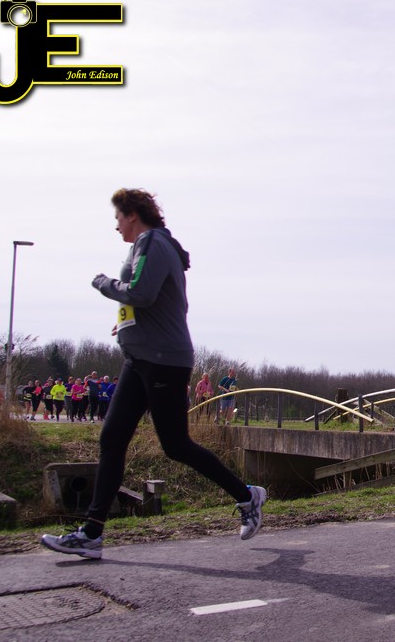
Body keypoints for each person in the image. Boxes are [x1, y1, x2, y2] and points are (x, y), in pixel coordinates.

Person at [41, 188, 266, 560]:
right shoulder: (148, 247)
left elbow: (141, 293)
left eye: (117, 217)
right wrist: (130, 325)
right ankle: (92, 533)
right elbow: (158, 301)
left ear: (132, 214)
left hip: (164, 361)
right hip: (140, 357)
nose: (115, 225)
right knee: (112, 439)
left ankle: (247, 496)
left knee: (176, 446)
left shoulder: (152, 242)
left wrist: (102, 283)